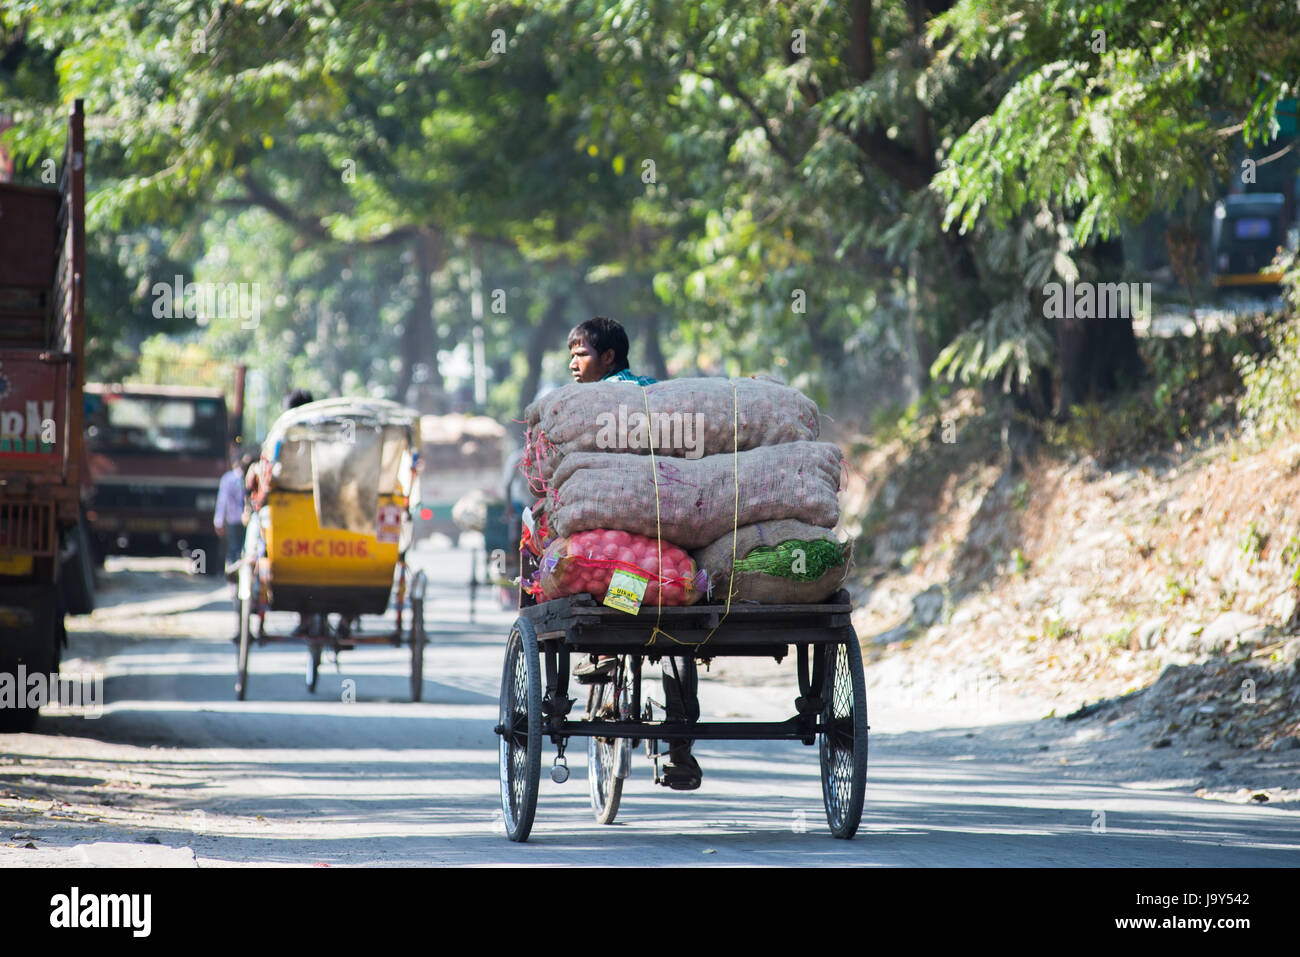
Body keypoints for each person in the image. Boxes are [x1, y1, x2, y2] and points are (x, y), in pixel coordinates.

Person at [565, 316, 701, 791]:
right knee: (674, 634)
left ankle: (606, 649)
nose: (573, 363)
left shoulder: (590, 404)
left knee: (615, 589)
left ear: (608, 358)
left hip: (625, 551)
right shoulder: (659, 394)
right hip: (671, 545)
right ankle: (680, 749)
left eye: (580, 353)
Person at [215, 450, 252, 639]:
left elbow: (222, 503)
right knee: (238, 551)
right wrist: (220, 520)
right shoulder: (236, 479)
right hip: (241, 522)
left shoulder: (233, 478)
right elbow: (223, 501)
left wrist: (219, 521)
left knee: (237, 551)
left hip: (239, 522)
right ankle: (236, 572)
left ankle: (235, 572)